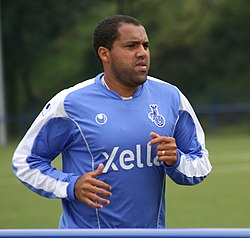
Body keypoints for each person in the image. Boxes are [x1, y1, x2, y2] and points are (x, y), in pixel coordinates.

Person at [12, 15, 212, 229]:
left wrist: (176, 160)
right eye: (131, 46)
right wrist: (71, 186)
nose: (142, 53)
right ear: (104, 54)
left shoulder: (171, 97)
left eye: (145, 45)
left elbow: (201, 164)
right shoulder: (70, 103)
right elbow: (25, 162)